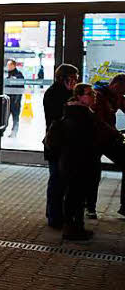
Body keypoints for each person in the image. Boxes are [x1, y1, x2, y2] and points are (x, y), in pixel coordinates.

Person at [45, 83, 125, 241]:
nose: (93, 96)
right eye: (89, 94)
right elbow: (89, 136)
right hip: (76, 162)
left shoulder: (83, 112)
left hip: (76, 161)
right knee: (75, 195)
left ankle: (77, 227)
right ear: (79, 97)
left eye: (93, 94)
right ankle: (72, 228)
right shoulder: (78, 114)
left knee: (77, 195)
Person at [43, 64, 78, 231]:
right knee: (57, 179)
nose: (76, 81)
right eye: (73, 77)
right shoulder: (54, 94)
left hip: (62, 143)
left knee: (60, 180)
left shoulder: (64, 92)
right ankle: (54, 216)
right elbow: (59, 117)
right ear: (65, 78)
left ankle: (55, 214)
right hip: (56, 143)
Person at [88, 74, 125, 219]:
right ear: (115, 85)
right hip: (95, 140)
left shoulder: (116, 96)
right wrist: (116, 133)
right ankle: (89, 207)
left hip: (108, 138)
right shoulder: (98, 95)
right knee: (93, 173)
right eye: (122, 91)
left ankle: (124, 207)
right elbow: (99, 121)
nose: (122, 94)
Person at [5, 59, 24, 137]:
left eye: (9, 65)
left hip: (15, 100)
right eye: (7, 65)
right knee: (5, 116)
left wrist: (17, 99)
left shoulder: (19, 75)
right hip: (7, 100)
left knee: (15, 117)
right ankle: (2, 130)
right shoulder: (8, 75)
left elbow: (21, 87)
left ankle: (14, 132)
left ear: (14, 65)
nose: (8, 67)